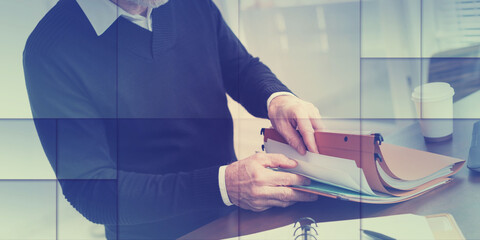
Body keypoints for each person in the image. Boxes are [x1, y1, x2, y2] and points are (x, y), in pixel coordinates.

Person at [23, 0, 323, 238]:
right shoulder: (50, 50)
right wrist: (223, 186)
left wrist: (278, 98)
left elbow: (240, 67)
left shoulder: (192, 4)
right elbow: (93, 190)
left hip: (236, 218)